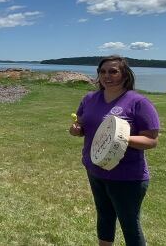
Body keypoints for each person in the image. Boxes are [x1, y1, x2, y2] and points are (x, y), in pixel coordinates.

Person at [69, 55, 160, 246]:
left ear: (125, 75)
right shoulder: (90, 98)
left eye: (113, 71)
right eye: (102, 71)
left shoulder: (138, 102)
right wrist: (76, 130)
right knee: (104, 216)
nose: (107, 76)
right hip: (94, 169)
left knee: (130, 224)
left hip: (127, 176)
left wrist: (120, 139)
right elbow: (81, 125)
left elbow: (151, 140)